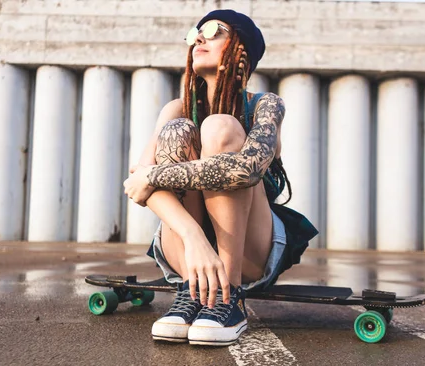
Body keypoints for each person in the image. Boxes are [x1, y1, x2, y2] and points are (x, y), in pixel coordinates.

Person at [123, 9, 317, 346]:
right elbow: (138, 186)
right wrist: (193, 236)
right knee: (176, 130)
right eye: (194, 32)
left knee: (219, 126)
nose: (199, 37)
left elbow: (246, 170)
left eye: (214, 30)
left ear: (241, 49)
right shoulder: (176, 107)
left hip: (249, 252)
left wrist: (155, 173)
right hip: (184, 252)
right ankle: (190, 291)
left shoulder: (265, 106)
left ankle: (227, 299)